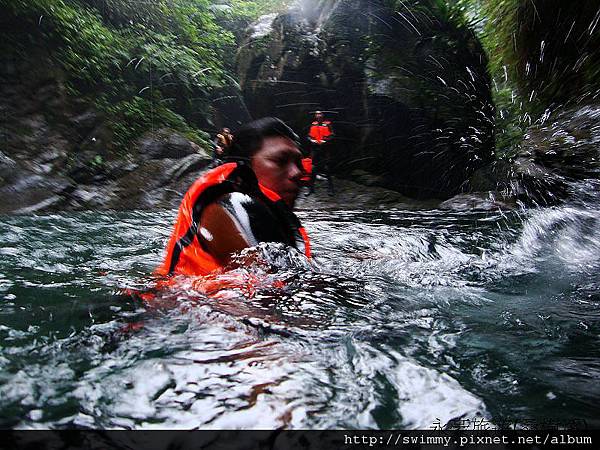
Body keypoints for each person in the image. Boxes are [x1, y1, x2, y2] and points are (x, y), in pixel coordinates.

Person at [156, 118, 311, 277]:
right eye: (280, 161)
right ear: (242, 169)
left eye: (299, 164)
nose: (297, 173)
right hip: (174, 299)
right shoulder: (228, 207)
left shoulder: (270, 219)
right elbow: (273, 286)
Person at [308, 110, 335, 195]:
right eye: (317, 114)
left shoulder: (327, 124)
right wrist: (312, 140)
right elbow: (309, 136)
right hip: (315, 149)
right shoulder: (313, 124)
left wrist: (325, 141)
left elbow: (332, 135)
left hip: (325, 149)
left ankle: (331, 189)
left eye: (320, 114)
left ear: (323, 115)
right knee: (313, 169)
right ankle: (311, 189)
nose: (318, 115)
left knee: (327, 169)